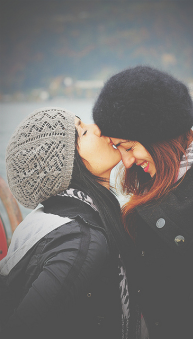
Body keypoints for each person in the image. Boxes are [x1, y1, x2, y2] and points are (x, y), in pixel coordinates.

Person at [92, 66, 193, 339]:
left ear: (159, 135)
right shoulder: (171, 179)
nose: (126, 161)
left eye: (129, 147)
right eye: (119, 149)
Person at [0, 107, 140, 339]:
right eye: (83, 132)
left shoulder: (53, 218)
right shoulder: (82, 240)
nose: (98, 128)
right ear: (66, 164)